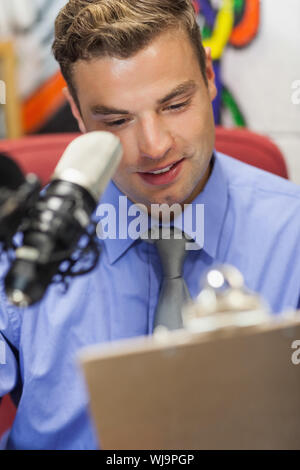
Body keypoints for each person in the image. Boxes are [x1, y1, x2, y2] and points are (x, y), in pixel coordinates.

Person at [0, 0, 300, 450]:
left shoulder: (292, 232)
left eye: (175, 104)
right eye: (117, 120)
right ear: (78, 114)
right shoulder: (24, 240)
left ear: (208, 76)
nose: (154, 146)